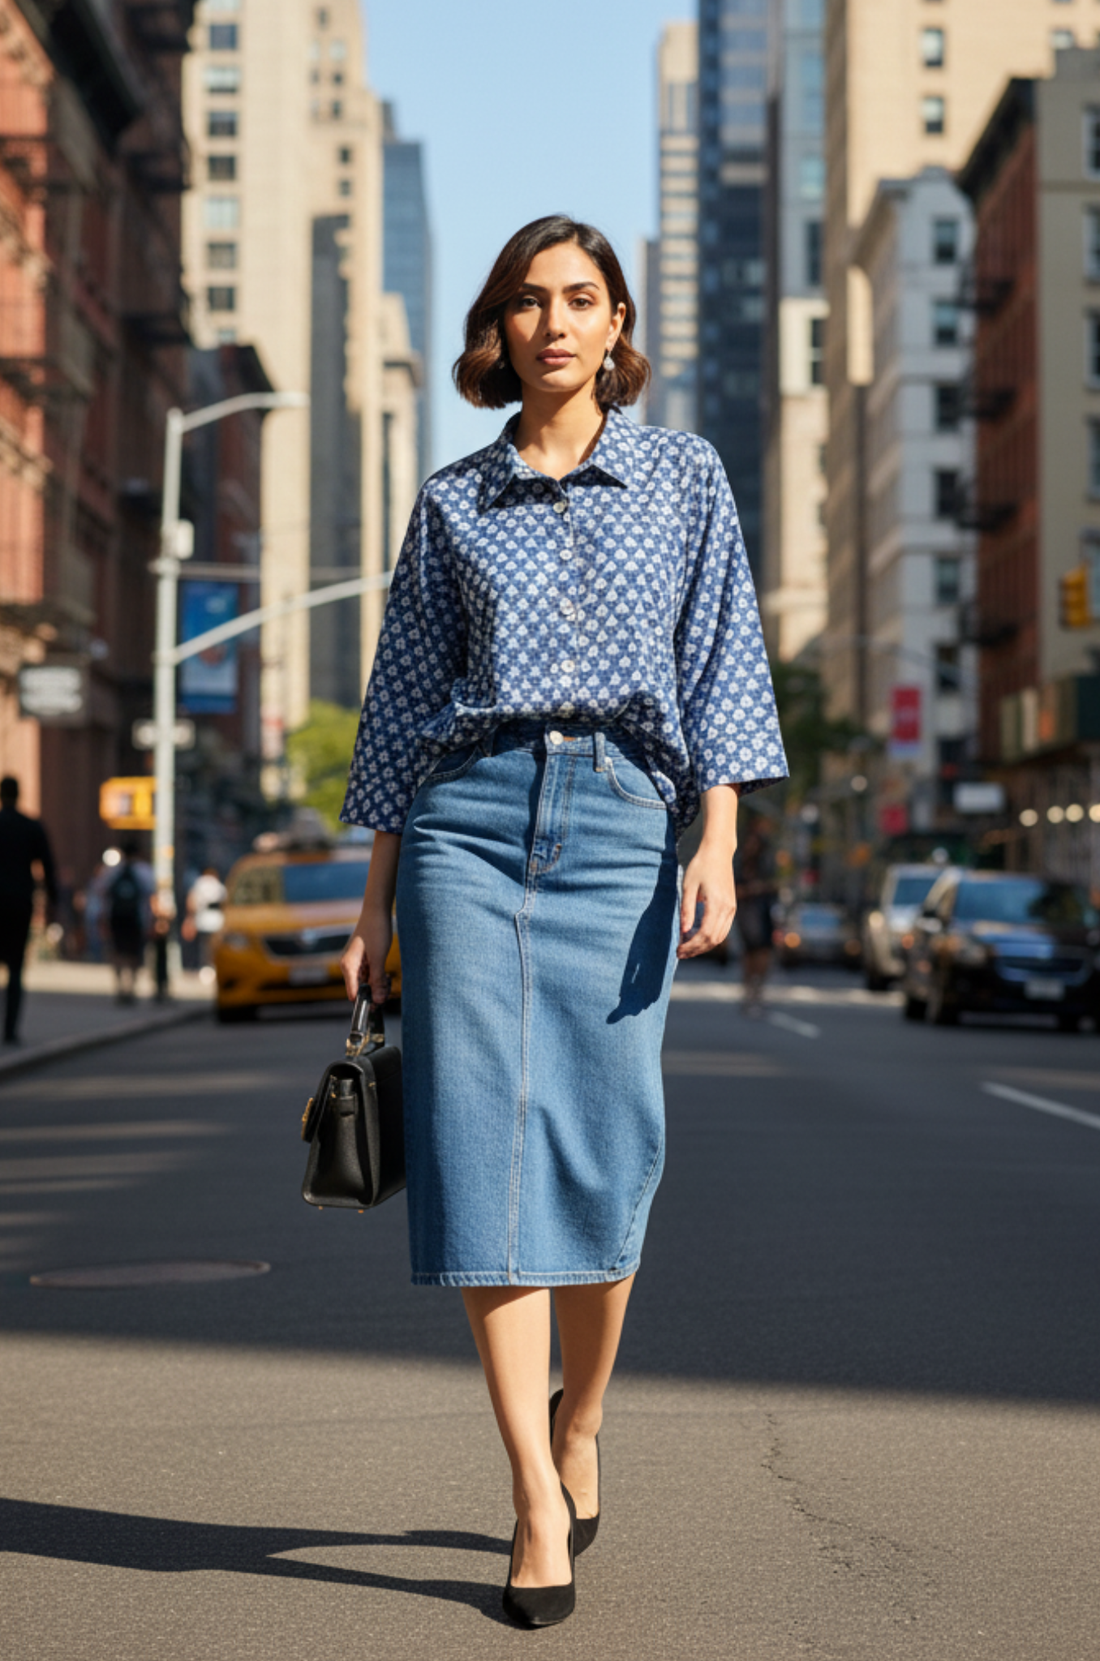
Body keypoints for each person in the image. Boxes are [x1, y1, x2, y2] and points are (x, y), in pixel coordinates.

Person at [339, 216, 787, 1628]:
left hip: (620, 826)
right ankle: (534, 1489)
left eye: (579, 299)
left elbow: (723, 662)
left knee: (608, 1145)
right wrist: (372, 897)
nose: (552, 322)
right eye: (528, 301)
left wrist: (719, 835)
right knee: (482, 1150)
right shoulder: (453, 501)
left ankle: (581, 1418)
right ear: (500, 327)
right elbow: (404, 705)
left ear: (614, 325)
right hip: (465, 828)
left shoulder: (686, 477)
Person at [0, 775, 57, 1045]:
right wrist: (54, 902)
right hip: (20, 902)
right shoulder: (30, 827)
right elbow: (48, 866)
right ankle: (9, 1029)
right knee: (16, 967)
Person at [734, 816, 779, 1016]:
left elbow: (775, 884)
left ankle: (757, 990)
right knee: (750, 950)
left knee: (763, 951)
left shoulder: (767, 860)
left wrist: (758, 889)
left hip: (763, 909)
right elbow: (733, 888)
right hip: (746, 911)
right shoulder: (738, 860)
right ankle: (749, 992)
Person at [102, 841, 153, 1004]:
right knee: (134, 953)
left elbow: (101, 892)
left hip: (116, 917)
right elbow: (151, 896)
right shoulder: (144, 871)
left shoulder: (113, 871)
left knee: (117, 951)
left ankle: (119, 986)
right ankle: (130, 986)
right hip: (136, 918)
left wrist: (102, 916)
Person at [182, 866, 226, 983]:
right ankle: (213, 968)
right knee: (214, 947)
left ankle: (205, 969)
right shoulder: (218, 885)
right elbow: (225, 902)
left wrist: (190, 918)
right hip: (217, 921)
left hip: (202, 920)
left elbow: (191, 901)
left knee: (203, 947)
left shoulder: (199, 883)